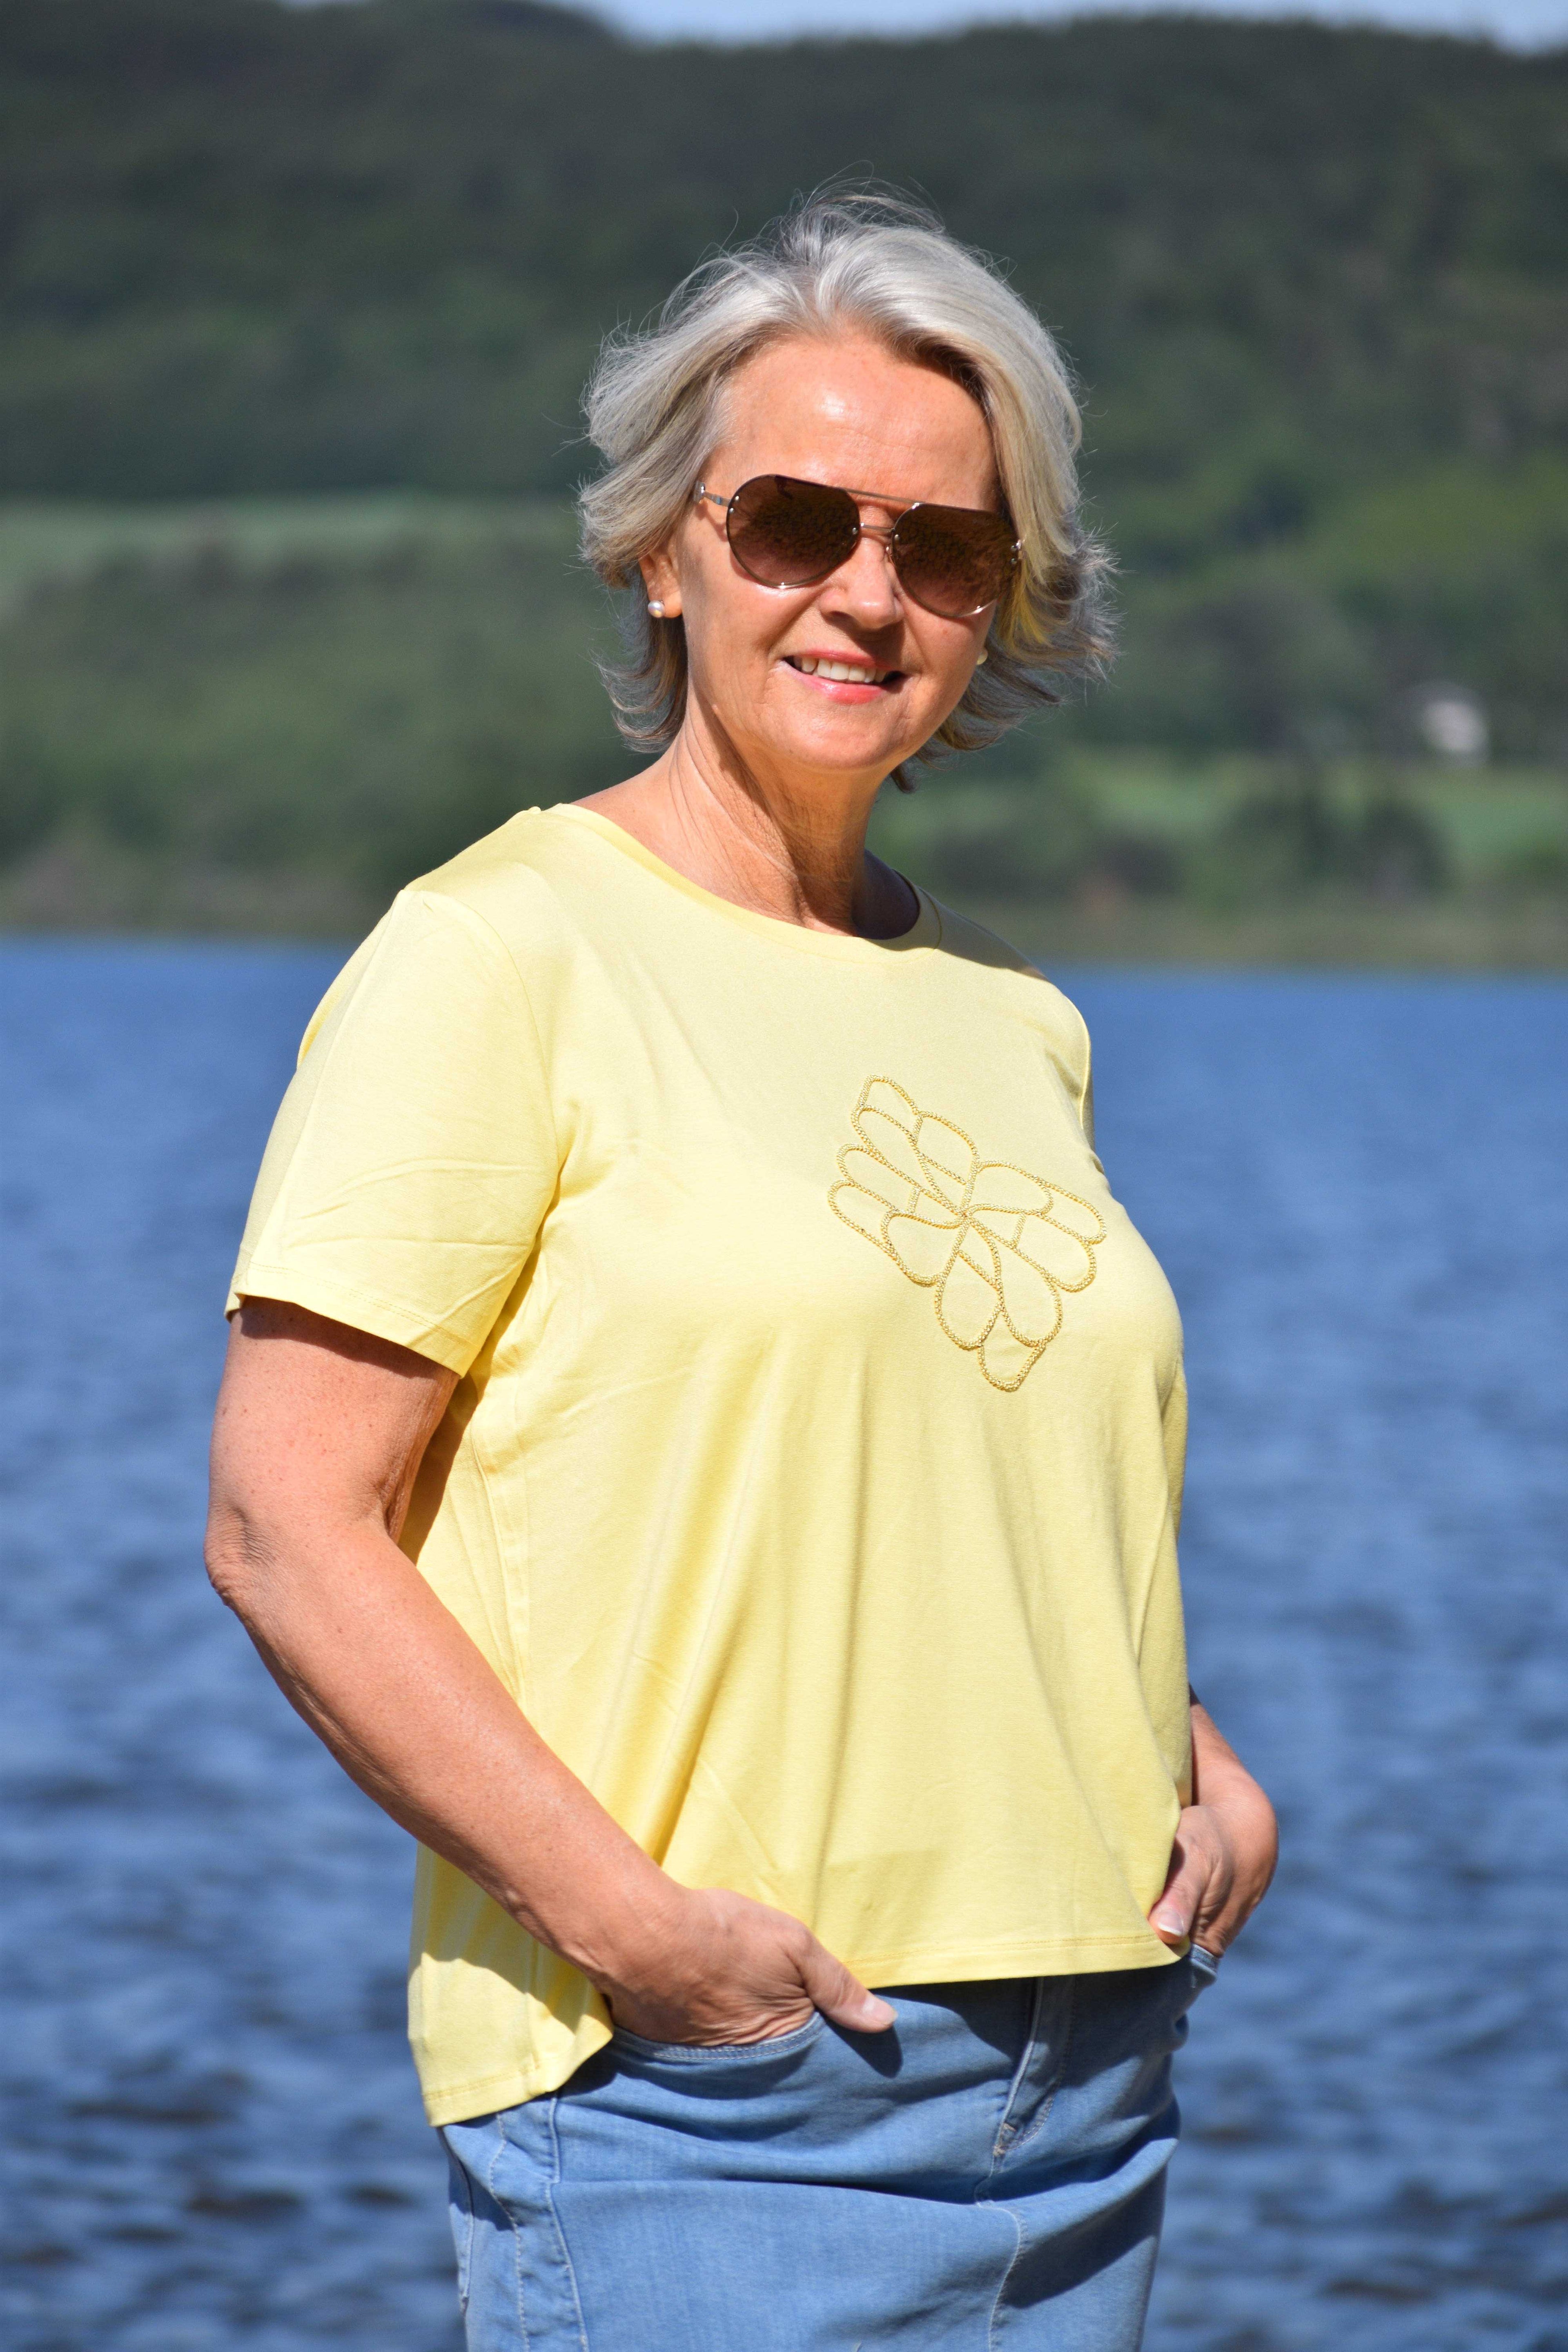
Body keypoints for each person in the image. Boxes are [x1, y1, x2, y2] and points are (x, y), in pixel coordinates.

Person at [206, 193, 1276, 2352]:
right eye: (795, 521)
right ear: (663, 552)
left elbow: (929, 1463)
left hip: (1092, 2088)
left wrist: (1185, 1742)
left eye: (943, 547)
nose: (867, 591)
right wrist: (637, 1933)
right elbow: (285, 1523)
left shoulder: (1013, 1017)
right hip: (716, 2107)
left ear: (1002, 600)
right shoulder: (500, 954)